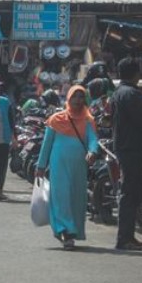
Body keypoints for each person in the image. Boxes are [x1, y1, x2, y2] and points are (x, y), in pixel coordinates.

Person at [35, 85, 99, 249]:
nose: (78, 100)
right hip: (59, 165)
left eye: (81, 97)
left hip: (79, 167)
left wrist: (92, 152)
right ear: (68, 99)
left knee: (76, 198)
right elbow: (46, 145)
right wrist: (41, 166)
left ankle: (72, 230)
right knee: (61, 196)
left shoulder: (88, 120)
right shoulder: (56, 119)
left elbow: (93, 140)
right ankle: (65, 231)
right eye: (75, 97)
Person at [110, 57, 142, 250]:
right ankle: (125, 238)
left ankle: (128, 236)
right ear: (136, 74)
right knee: (130, 193)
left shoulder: (119, 93)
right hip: (132, 148)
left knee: (131, 192)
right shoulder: (131, 94)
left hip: (126, 147)